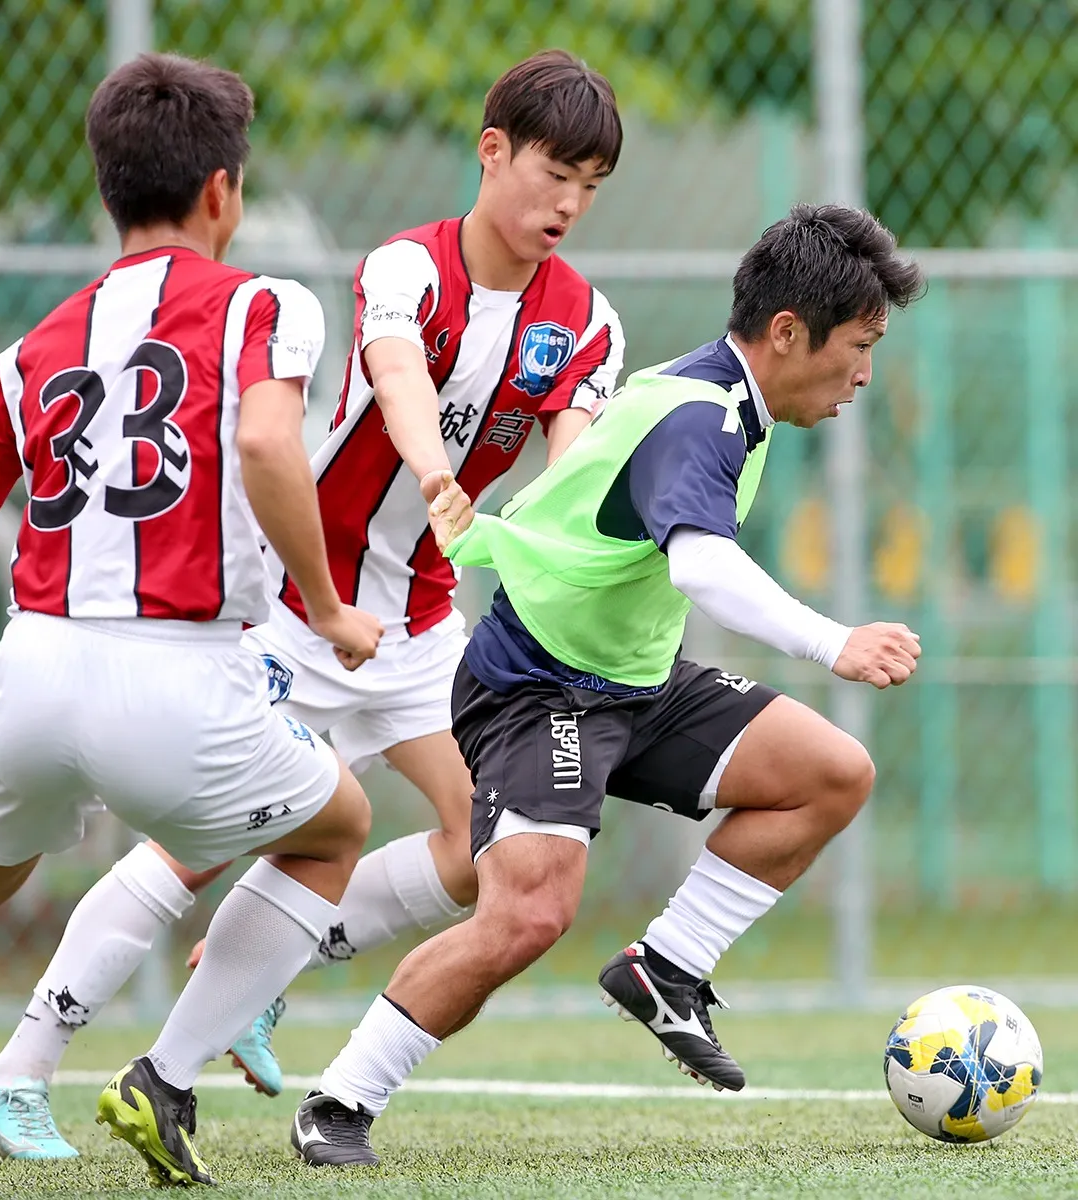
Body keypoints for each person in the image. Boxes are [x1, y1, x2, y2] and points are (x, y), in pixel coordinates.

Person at [288, 203, 927, 1167]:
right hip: (538, 687)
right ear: (789, 333)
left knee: (831, 772)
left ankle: (667, 968)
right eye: (860, 346)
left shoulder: (726, 403)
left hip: (631, 679)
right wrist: (830, 641)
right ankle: (339, 1100)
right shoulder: (700, 415)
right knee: (529, 913)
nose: (865, 374)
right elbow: (700, 567)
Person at [84, 47, 626, 1181]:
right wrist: (438, 480)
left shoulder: (588, 322)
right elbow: (397, 379)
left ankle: (249, 995)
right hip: (300, 607)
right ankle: (30, 1056)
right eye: (553, 172)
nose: (569, 202)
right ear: (493, 151)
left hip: (422, 626)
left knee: (492, 843)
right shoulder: (405, 267)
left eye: (591, 181)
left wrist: (552, 536)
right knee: (204, 842)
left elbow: (571, 467)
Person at [0, 52, 384, 1184]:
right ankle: (165, 1077)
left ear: (109, 190)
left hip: (37, 669)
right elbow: (263, 444)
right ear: (223, 191)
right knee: (333, 828)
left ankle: (27, 1066)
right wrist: (330, 605)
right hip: (180, 670)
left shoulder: (32, 348)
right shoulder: (264, 301)